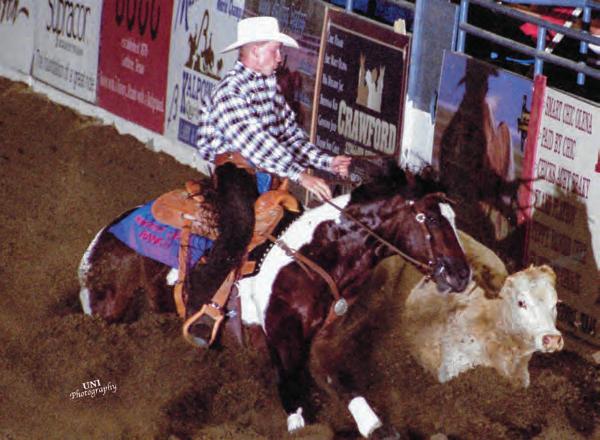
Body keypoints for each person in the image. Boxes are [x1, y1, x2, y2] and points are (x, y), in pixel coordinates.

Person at [187, 16, 351, 345]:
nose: (280, 58)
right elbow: (255, 143)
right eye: (275, 50)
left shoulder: (268, 88)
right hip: (233, 172)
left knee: (295, 227)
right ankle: (201, 304)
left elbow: (289, 136)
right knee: (239, 227)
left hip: (264, 173)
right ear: (254, 51)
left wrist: (327, 161)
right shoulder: (230, 92)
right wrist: (300, 174)